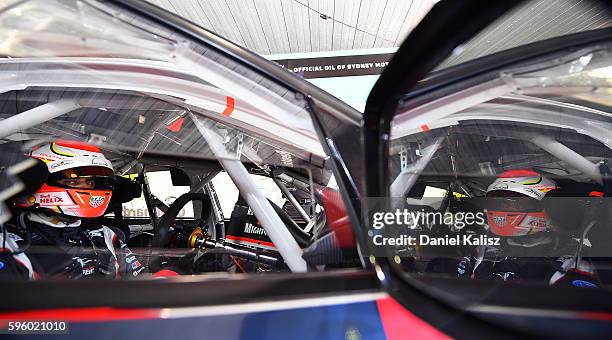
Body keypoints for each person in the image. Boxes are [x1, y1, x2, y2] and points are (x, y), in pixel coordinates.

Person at [0, 140, 144, 279]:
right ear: (39, 181)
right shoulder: (10, 244)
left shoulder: (104, 235)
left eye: (90, 182)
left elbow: (142, 283)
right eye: (73, 181)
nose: (87, 188)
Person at [458, 169, 600, 287]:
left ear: (549, 208)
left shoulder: (572, 263)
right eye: (500, 204)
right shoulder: (483, 247)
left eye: (516, 204)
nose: (505, 210)